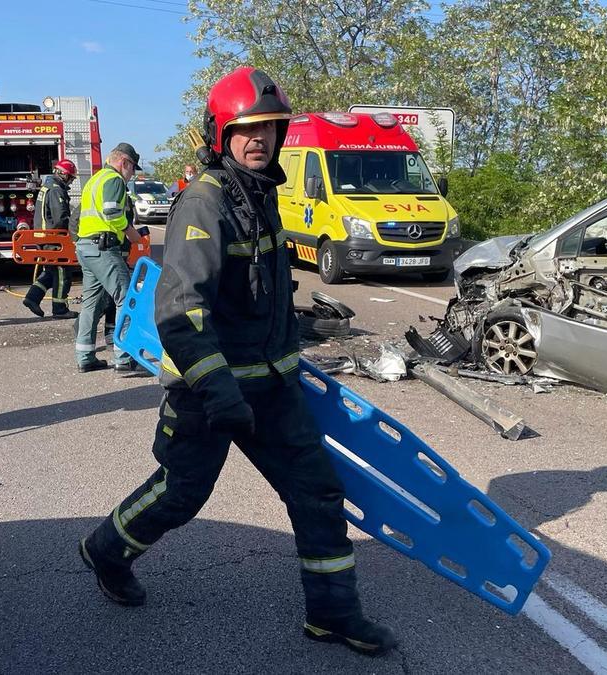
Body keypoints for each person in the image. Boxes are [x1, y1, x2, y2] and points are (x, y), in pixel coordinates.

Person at [77, 66, 397, 656]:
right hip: (209, 394)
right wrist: (218, 388)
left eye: (269, 129)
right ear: (221, 135)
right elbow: (181, 311)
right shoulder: (204, 204)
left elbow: (261, 290)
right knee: (181, 494)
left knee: (318, 492)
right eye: (246, 129)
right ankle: (107, 548)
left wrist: (291, 337)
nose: (259, 140)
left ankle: (334, 613)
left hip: (273, 387)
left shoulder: (262, 194)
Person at [73, 142, 143, 373]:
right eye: (133, 168)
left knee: (91, 303)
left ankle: (85, 355)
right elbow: (112, 213)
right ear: (124, 162)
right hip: (103, 248)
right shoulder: (114, 180)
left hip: (86, 247)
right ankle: (123, 357)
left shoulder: (95, 179)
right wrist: (132, 235)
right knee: (126, 298)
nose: (132, 174)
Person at [23, 159, 79, 319]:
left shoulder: (47, 187)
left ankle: (32, 298)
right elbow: (60, 218)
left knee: (51, 272)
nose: (71, 181)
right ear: (63, 174)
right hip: (53, 239)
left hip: (44, 238)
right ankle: (60, 309)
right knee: (63, 273)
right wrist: (73, 229)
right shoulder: (56, 191)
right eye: (70, 178)